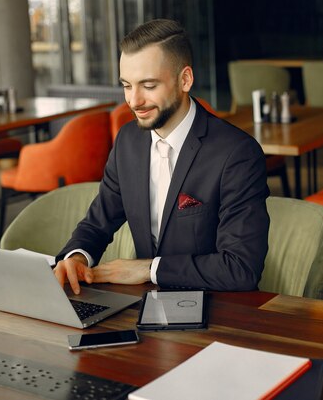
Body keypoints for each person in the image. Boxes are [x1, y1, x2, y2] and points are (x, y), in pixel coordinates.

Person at [54, 19, 269, 292]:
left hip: (216, 310)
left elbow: (241, 269)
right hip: (145, 308)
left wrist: (147, 268)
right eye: (127, 85)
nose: (134, 101)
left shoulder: (238, 154)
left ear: (185, 80)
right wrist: (76, 257)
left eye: (149, 85)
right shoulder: (127, 141)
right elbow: (97, 223)